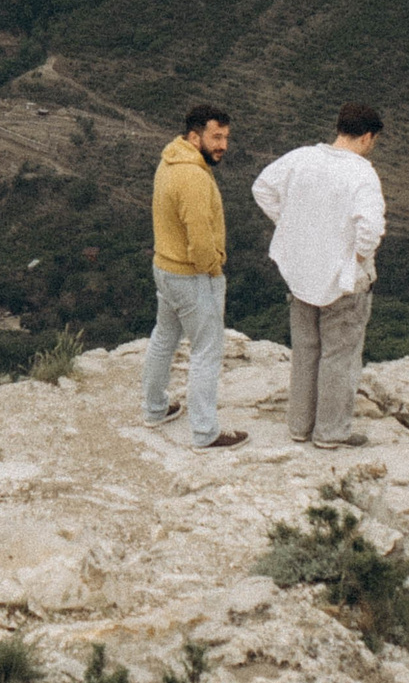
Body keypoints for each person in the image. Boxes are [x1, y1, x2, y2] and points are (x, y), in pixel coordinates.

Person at [251, 103, 385, 448]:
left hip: (301, 273)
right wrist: (354, 258)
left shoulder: (301, 158)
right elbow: (371, 228)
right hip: (344, 281)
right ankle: (330, 431)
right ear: (367, 137)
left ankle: (300, 426)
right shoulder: (362, 173)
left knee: (305, 352)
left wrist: (290, 226)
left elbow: (262, 187)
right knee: (340, 356)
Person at [144, 103, 246, 450]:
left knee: (164, 338)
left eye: (226, 137)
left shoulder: (170, 160)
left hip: (165, 268)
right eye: (216, 137)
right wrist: (214, 267)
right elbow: (200, 240)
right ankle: (205, 433)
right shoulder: (193, 176)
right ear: (194, 136)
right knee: (207, 351)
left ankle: (155, 409)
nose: (223, 145)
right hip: (191, 276)